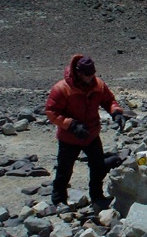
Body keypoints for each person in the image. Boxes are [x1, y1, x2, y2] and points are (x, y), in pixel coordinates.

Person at [45, 55, 125, 209]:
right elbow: (51, 112)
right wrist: (72, 125)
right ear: (78, 72)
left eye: (93, 74)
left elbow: (109, 100)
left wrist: (116, 112)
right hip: (69, 137)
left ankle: (97, 196)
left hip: (91, 134)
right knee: (64, 169)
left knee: (98, 167)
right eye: (88, 74)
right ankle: (59, 199)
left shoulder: (98, 85)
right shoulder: (62, 88)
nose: (91, 77)